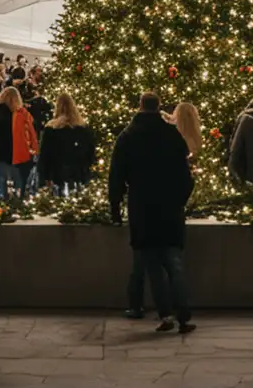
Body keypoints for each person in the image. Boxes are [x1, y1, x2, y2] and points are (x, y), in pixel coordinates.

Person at [107, 92, 196, 334]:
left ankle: (165, 315)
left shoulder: (127, 137)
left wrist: (115, 208)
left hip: (142, 208)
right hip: (170, 208)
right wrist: (180, 200)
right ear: (159, 107)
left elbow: (116, 176)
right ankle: (184, 316)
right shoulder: (171, 135)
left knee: (153, 266)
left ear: (139, 106)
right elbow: (186, 176)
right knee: (174, 264)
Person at [39, 94, 99, 196]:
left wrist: (45, 176)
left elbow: (45, 155)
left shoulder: (51, 128)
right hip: (78, 173)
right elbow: (90, 152)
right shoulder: (83, 128)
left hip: (57, 173)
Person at [0, 87, 37, 200]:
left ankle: (2, 202)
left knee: (1, 178)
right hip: (18, 151)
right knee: (17, 179)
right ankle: (17, 201)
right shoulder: (21, 114)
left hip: (1, 151)